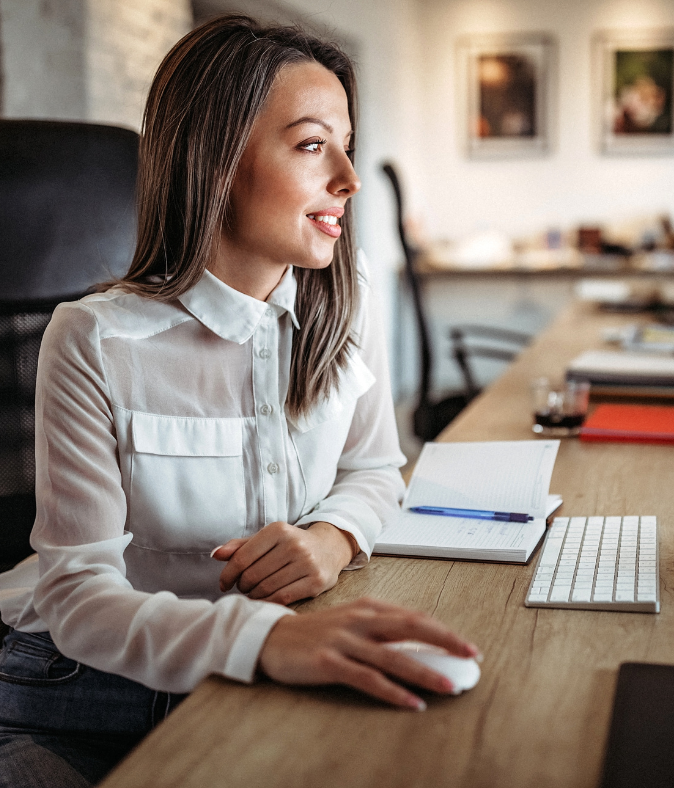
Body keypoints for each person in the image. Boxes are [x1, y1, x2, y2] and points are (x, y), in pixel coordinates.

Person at [0, 15, 477, 788]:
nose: (350, 181)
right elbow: (79, 599)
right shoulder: (92, 341)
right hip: (76, 692)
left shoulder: (345, 308)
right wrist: (260, 640)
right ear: (217, 159)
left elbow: (379, 469)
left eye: (347, 146)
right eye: (314, 145)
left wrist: (332, 538)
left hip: (254, 673)